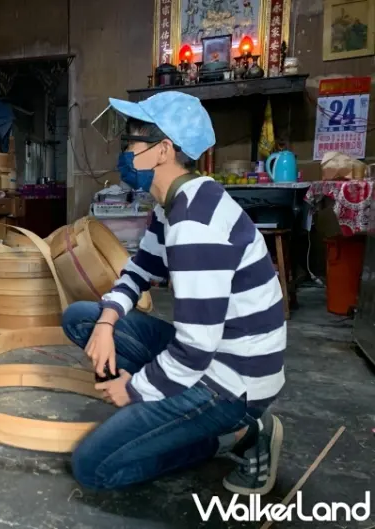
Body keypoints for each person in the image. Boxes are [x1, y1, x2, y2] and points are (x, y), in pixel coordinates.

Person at [62, 91, 286, 495]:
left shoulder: (195, 227)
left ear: (163, 151)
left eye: (133, 142)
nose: (127, 153)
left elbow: (196, 350)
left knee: (93, 467)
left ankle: (236, 434)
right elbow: (140, 269)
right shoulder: (174, 203)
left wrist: (133, 389)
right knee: (83, 317)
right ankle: (159, 410)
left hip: (233, 384)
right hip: (214, 355)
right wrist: (108, 320)